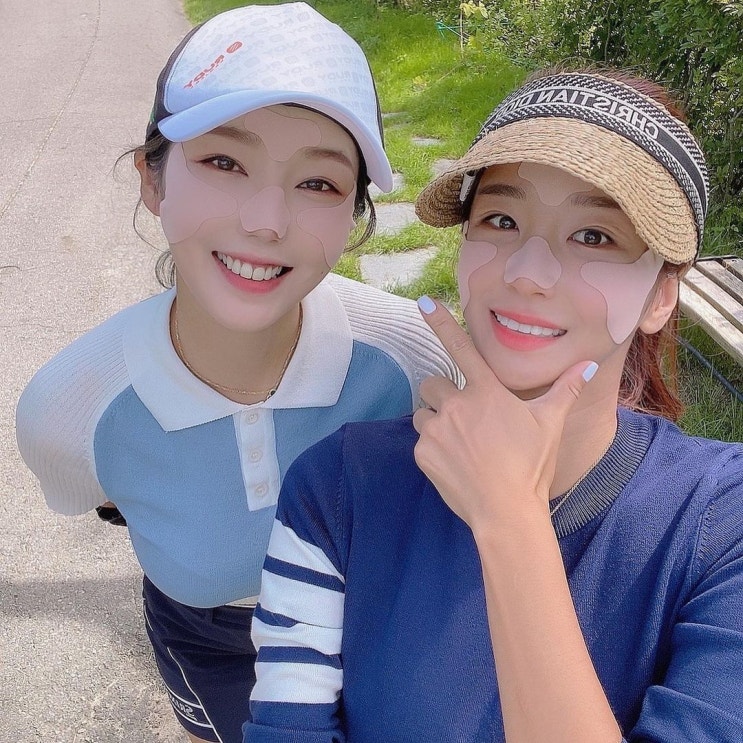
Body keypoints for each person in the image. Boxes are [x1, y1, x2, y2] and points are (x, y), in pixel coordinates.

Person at [244, 67, 743, 742]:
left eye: (594, 236)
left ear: (659, 296)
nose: (526, 272)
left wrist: (509, 516)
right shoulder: (337, 488)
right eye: (500, 220)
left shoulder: (720, 522)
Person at [14, 4, 459, 743]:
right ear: (152, 179)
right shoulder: (69, 407)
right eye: (224, 162)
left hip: (378, 619)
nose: (265, 220)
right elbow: (107, 498)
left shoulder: (414, 360)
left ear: (354, 214)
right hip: (209, 644)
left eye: (319, 182)